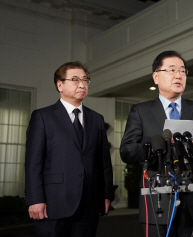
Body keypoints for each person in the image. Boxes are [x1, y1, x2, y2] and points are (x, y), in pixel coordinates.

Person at [120, 50, 193, 237]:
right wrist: (158, 147)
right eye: (171, 70)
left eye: (182, 71)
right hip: (157, 198)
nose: (178, 75)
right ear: (156, 77)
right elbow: (127, 151)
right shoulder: (141, 111)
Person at [25, 61, 114, 237]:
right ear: (60, 85)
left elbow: (104, 162)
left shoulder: (96, 119)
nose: (82, 84)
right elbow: (33, 163)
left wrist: (106, 195)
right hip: (53, 203)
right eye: (75, 79)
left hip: (89, 203)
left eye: (85, 80)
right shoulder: (43, 116)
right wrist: (35, 199)